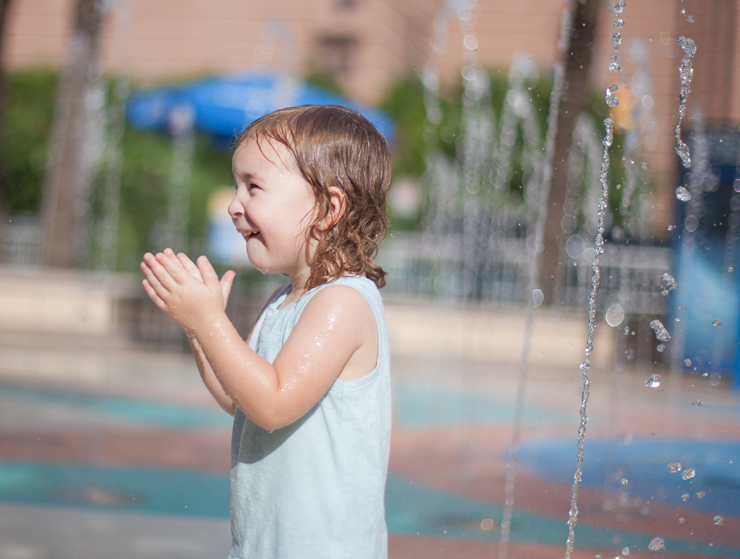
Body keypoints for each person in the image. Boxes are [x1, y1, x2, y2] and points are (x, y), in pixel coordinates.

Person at [140, 105, 392, 559]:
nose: (235, 204)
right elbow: (242, 400)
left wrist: (210, 322)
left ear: (327, 207)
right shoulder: (283, 302)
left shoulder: (343, 302)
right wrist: (199, 329)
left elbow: (272, 404)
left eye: (253, 186)